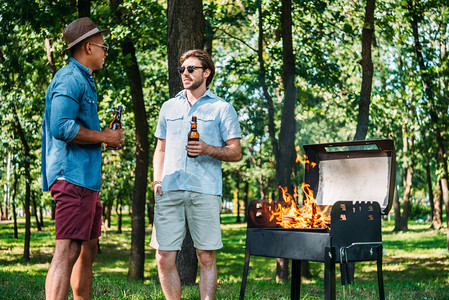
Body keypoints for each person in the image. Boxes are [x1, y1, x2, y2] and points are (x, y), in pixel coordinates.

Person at [41, 17, 125, 300]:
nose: (105, 52)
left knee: (86, 250)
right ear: (89, 47)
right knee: (67, 251)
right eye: (103, 47)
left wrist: (105, 136)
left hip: (87, 180)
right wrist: (104, 137)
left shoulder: (85, 80)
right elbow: (61, 127)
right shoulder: (69, 78)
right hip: (71, 177)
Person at [150, 49, 242, 299]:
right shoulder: (168, 106)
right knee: (163, 256)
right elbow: (160, 148)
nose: (185, 74)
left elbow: (236, 152)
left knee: (206, 255)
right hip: (169, 189)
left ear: (207, 72)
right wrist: (157, 180)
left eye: (192, 69)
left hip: (205, 190)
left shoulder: (222, 108)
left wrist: (207, 149)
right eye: (182, 70)